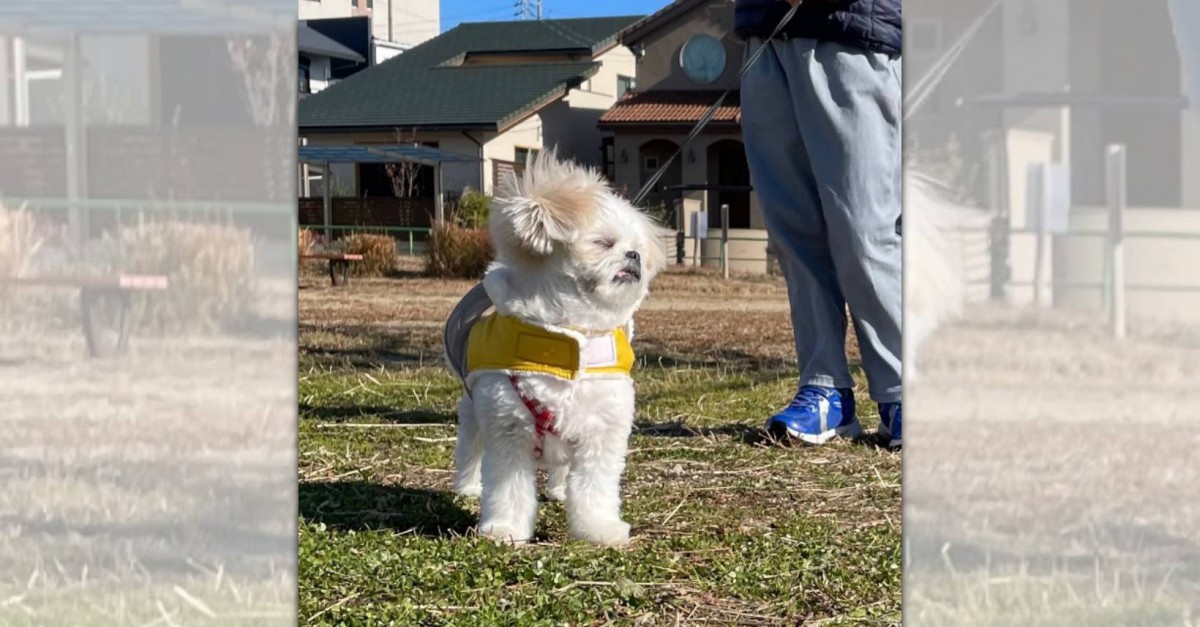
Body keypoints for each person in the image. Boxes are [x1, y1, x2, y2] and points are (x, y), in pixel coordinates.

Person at [734, 0, 903, 448]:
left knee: (863, 229)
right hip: (763, 35)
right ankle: (826, 388)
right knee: (793, 230)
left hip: (851, 34)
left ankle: (903, 391)